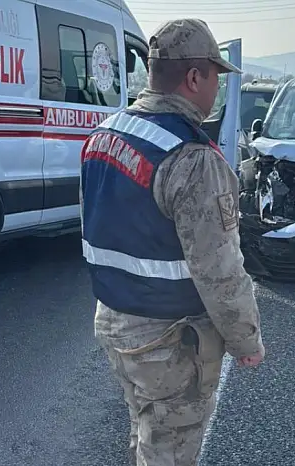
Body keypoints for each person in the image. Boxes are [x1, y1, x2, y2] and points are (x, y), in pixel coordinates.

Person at [79, 18, 265, 466]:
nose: (217, 88)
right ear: (194, 77)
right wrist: (246, 341)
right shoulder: (193, 158)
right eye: (215, 76)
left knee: (147, 429)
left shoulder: (104, 133)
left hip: (114, 321)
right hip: (168, 340)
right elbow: (219, 269)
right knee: (170, 451)